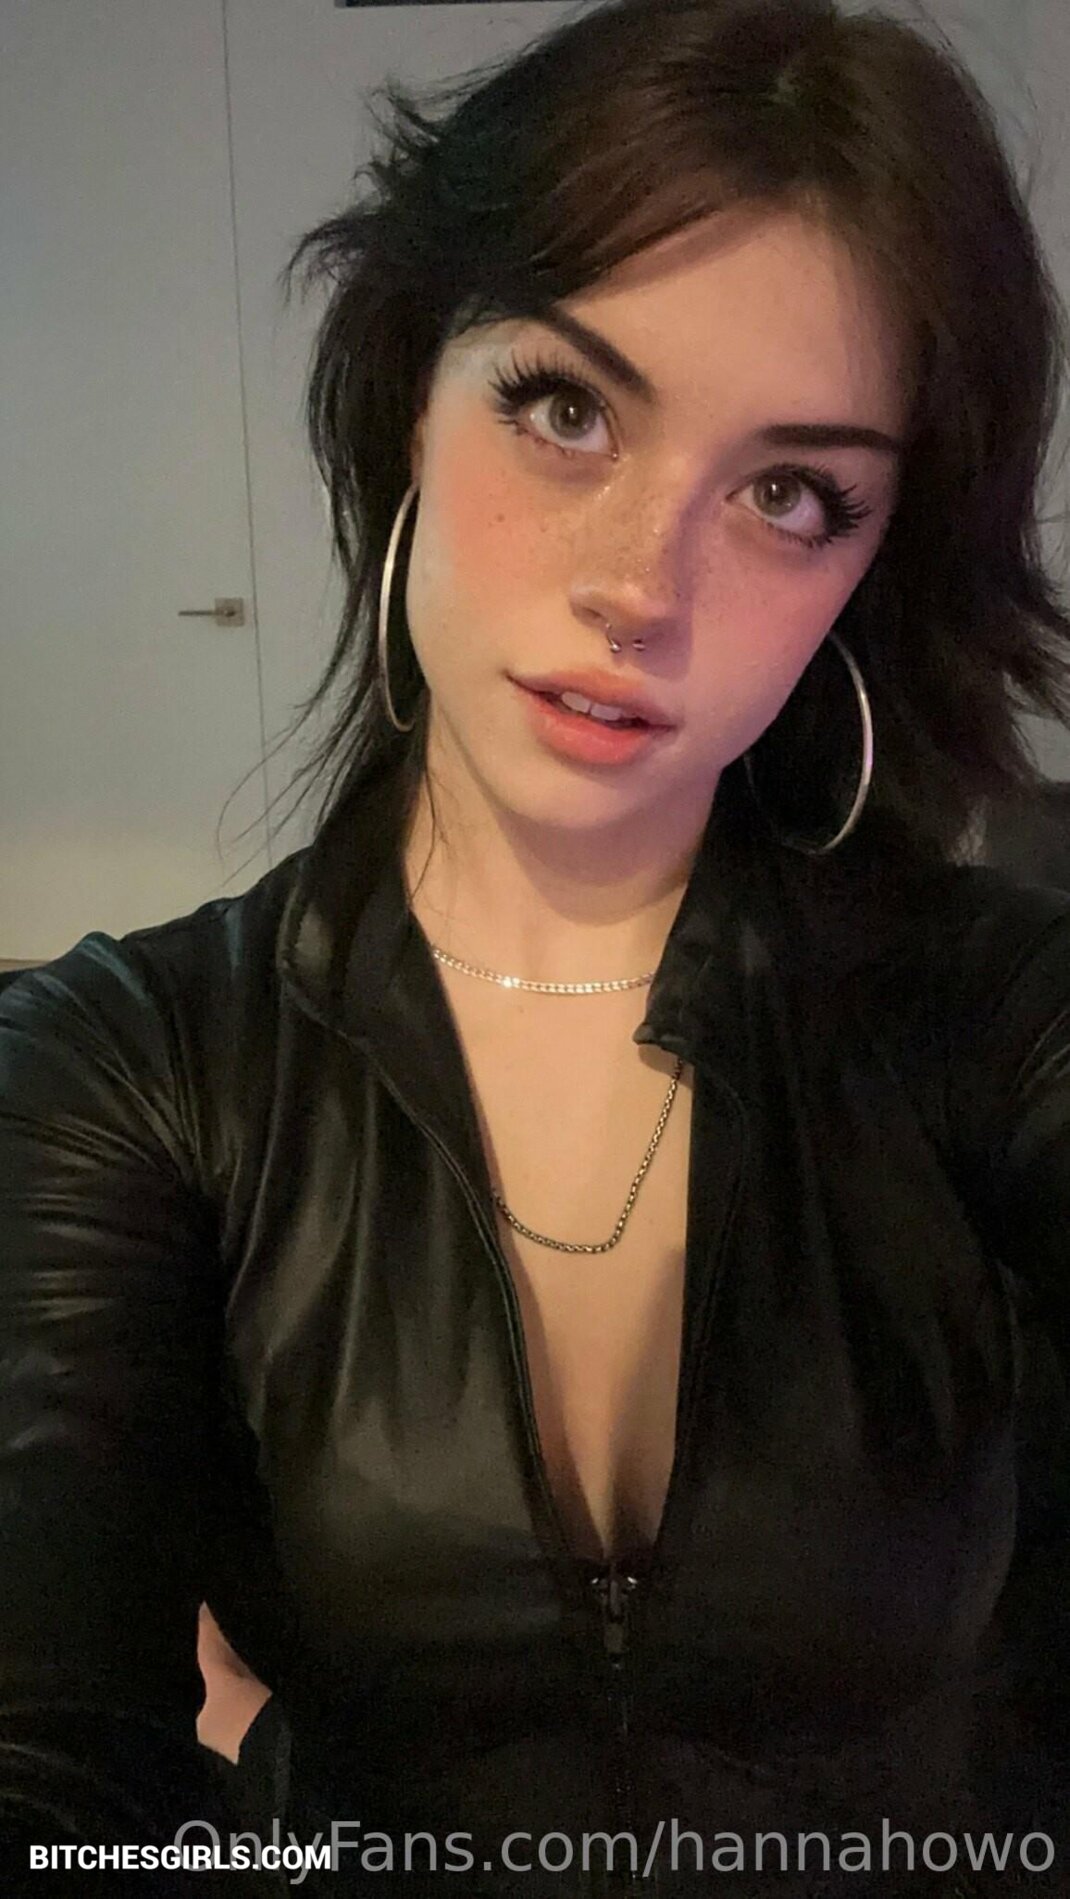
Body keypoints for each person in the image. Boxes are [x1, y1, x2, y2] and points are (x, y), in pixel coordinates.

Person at [2, 0, 1069, 1892]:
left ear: (870, 563)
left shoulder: (994, 1017)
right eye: (565, 407)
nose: (640, 586)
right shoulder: (130, 1064)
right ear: (407, 392)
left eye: (788, 494)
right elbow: (46, 1773)